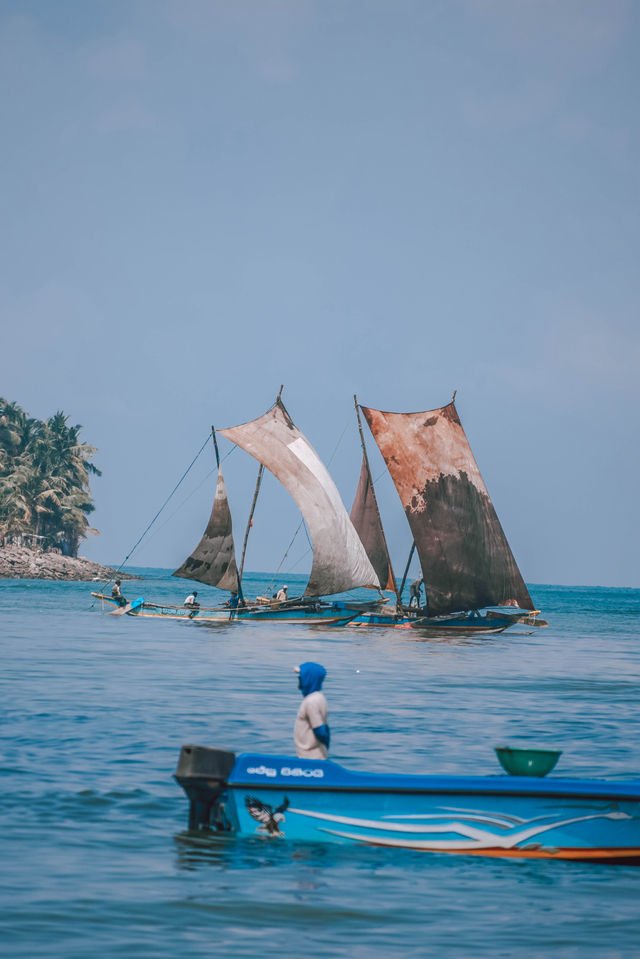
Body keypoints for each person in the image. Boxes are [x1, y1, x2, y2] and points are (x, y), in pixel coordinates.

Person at [293, 662, 330, 760]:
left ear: (309, 678)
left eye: (301, 676)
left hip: (310, 758)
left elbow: (320, 731)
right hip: (315, 756)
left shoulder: (311, 702)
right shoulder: (320, 697)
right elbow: (326, 730)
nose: (299, 679)